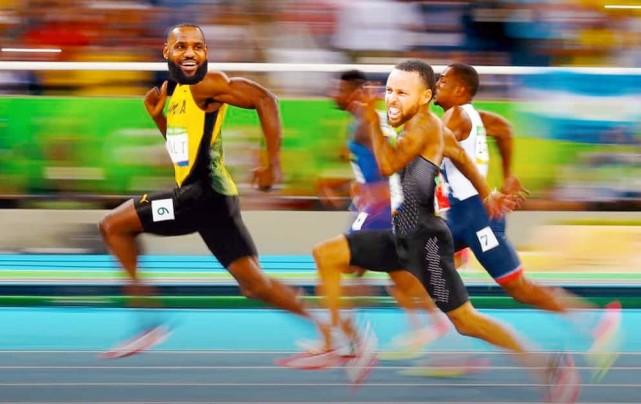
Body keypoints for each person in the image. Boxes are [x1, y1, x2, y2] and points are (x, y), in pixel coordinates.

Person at [284, 59, 580, 401]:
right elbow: (464, 162)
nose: (392, 100)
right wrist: (489, 194)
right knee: (326, 255)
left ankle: (547, 365)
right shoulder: (433, 129)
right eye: (390, 92)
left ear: (424, 97)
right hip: (402, 235)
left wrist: (373, 122)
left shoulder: (424, 128)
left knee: (466, 321)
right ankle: (343, 343)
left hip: (424, 242)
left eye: (401, 93)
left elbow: (388, 164)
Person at [99, 23, 326, 357]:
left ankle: (148, 322)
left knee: (113, 225)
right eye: (181, 46)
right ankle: (333, 333)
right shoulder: (174, 92)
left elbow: (266, 99)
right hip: (215, 201)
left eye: (198, 46)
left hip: (197, 198)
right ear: (167, 52)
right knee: (254, 285)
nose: (190, 53)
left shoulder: (208, 83)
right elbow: (183, 152)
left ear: (206, 52)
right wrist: (159, 118)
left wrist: (272, 163)